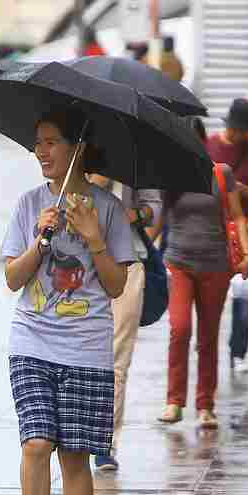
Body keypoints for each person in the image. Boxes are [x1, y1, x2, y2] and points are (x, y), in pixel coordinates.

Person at [0, 108, 134, 495]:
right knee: (36, 443)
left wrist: (95, 239)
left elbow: (116, 286)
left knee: (75, 456)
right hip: (32, 341)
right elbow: (13, 278)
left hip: (86, 348)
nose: (41, 151)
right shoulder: (30, 204)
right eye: (37, 142)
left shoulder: (109, 209)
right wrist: (40, 240)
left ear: (78, 147)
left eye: (51, 142)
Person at [158, 118, 248, 428]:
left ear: (202, 142)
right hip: (179, 262)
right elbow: (157, 222)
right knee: (180, 328)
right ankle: (174, 402)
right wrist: (140, 253)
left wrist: (247, 253)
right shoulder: (168, 177)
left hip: (216, 265)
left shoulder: (220, 173)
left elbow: (238, 216)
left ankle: (205, 405)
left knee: (208, 336)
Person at [86, 174, 161, 472]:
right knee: (82, 353)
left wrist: (133, 215)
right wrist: (97, 182)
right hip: (83, 266)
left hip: (128, 266)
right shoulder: (77, 161)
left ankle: (105, 443)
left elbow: (154, 208)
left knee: (117, 358)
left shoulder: (136, 164)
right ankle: (77, 430)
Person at [206, 99, 248, 374]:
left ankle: (238, 351)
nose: (238, 135)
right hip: (212, 230)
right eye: (234, 129)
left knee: (243, 295)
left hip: (242, 231)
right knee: (209, 294)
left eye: (243, 131)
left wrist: (242, 190)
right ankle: (207, 344)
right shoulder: (209, 146)